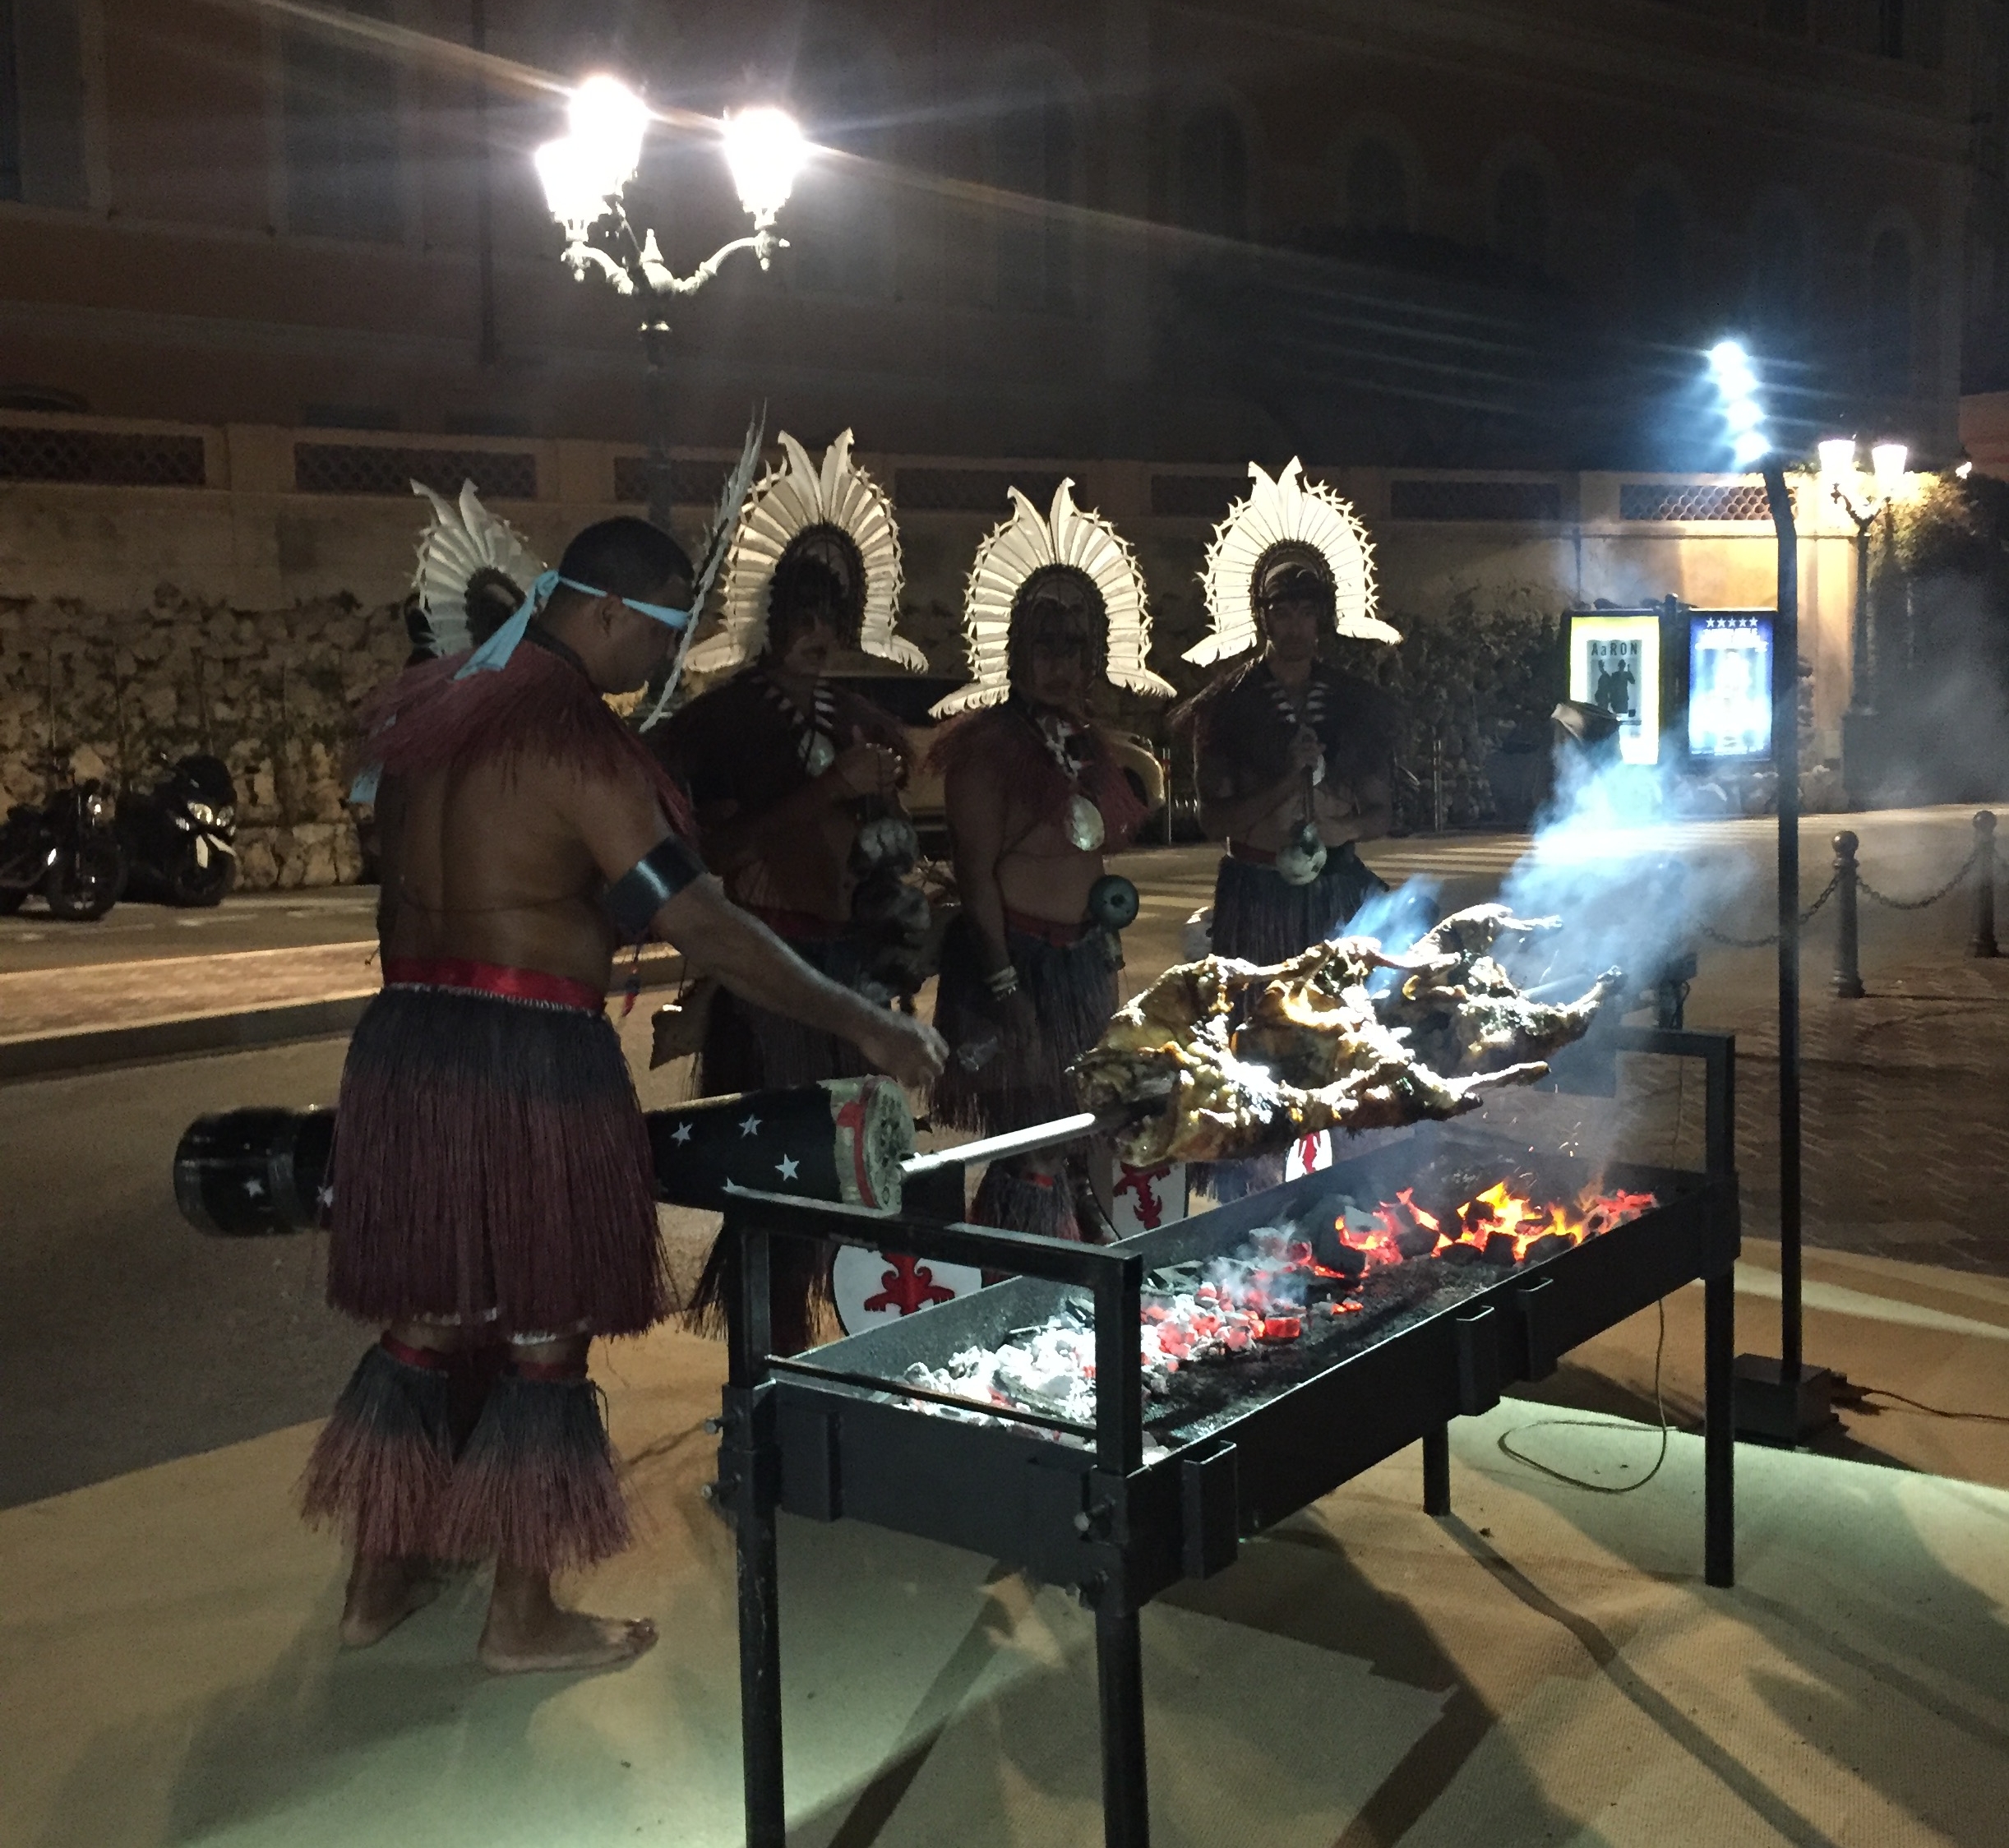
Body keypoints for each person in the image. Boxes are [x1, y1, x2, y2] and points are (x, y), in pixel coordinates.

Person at [303, 516, 944, 1675]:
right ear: (605, 612)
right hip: (535, 1051)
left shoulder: (431, 721)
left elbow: (402, 910)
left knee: (426, 1319)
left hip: (405, 1044)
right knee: (548, 1328)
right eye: (659, 638)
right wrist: (869, 1024)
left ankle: (375, 1581)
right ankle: (522, 1616)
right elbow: (697, 920)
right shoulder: (579, 751)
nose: (661, 666)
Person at [651, 432, 930, 1352]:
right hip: (767, 974)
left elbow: (888, 853)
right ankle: (761, 1377)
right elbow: (715, 851)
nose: (818, 634)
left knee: (851, 1179)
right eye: (801, 615)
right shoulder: (719, 725)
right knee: (770, 1189)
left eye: (832, 613)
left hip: (850, 974)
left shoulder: (859, 718)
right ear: (768, 620)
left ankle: (834, 1360)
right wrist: (825, 790)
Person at [929, 481, 1173, 1238]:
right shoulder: (985, 751)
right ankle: (1020, 1278)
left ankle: (1093, 1271)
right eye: (1044, 646)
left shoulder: (1089, 747)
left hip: (1081, 966)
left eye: (1074, 649)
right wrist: (1006, 990)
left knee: (1091, 1130)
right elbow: (975, 876)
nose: (1060, 665)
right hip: (1018, 967)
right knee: (1032, 1143)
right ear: (1015, 652)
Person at [1181, 460, 1405, 966]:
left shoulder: (1356, 704)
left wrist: (1343, 831)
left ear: (1322, 618)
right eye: (1282, 613)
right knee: (1260, 1028)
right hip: (1256, 894)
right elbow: (1214, 821)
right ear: (1262, 617)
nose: (1295, 627)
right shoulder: (1227, 707)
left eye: (1306, 613)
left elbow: (1381, 813)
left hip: (1338, 893)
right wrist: (1287, 779)